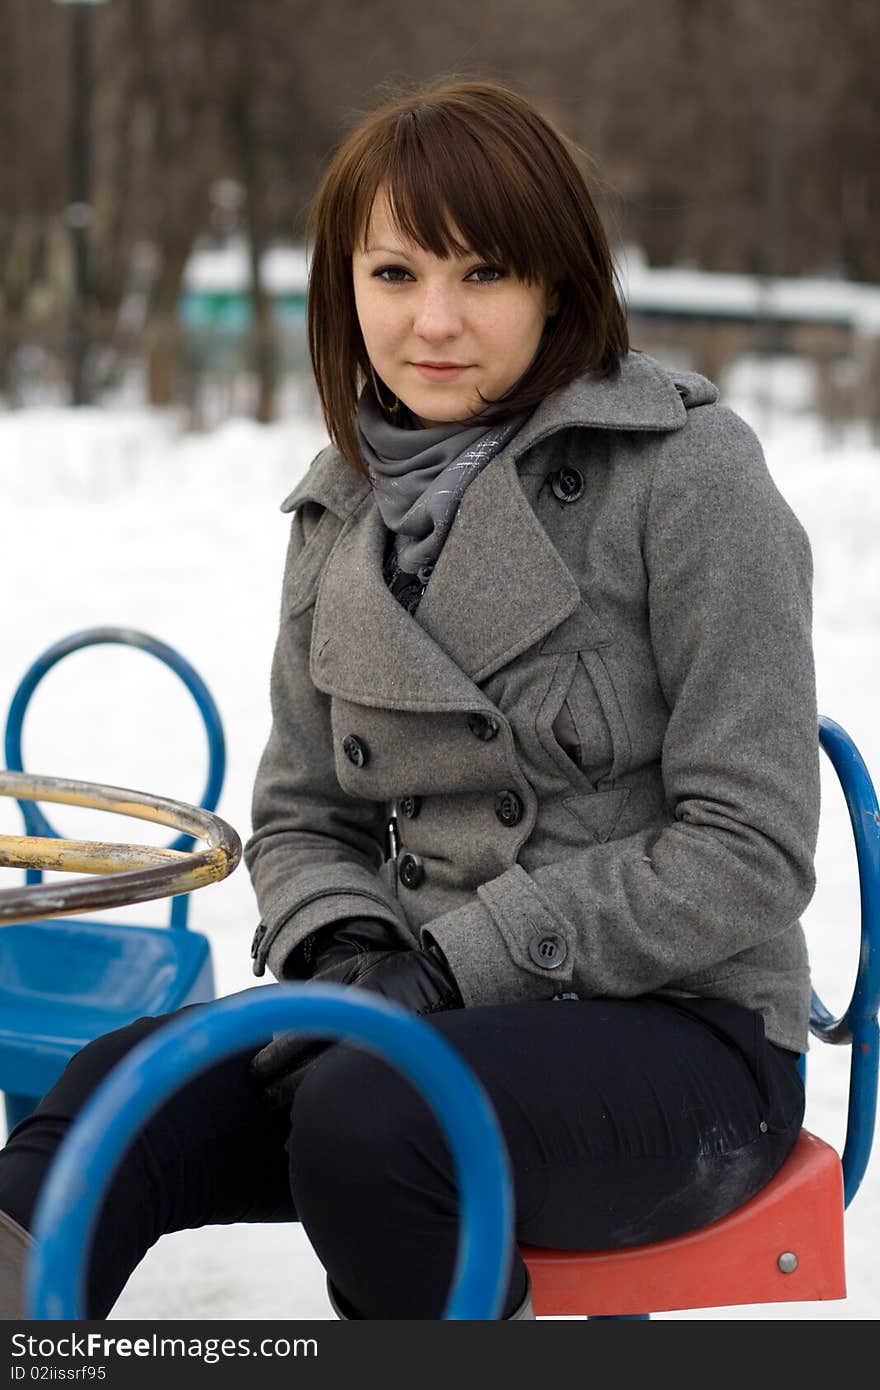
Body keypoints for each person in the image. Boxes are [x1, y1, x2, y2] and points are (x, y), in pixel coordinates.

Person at [0, 76, 819, 1322]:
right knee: (115, 1101)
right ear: (346, 288)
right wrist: (348, 949)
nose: (433, 321)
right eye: (393, 275)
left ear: (559, 282)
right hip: (411, 1023)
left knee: (375, 1116)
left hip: (684, 1036)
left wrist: (443, 973)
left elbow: (748, 849)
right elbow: (299, 814)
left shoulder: (686, 477)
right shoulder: (342, 507)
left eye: (482, 273)